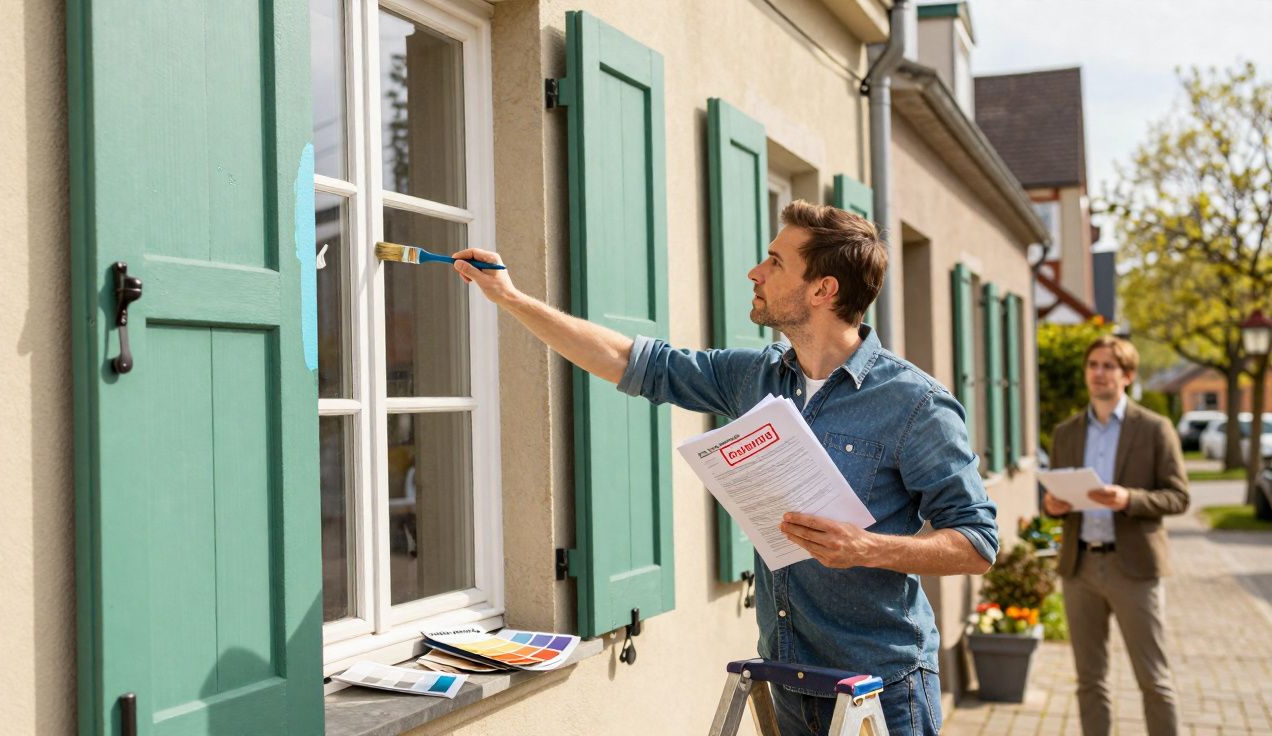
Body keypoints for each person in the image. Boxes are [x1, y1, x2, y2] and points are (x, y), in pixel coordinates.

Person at [452, 200, 997, 736]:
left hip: (881, 690)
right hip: (786, 678)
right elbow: (629, 362)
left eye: (776, 262)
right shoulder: (754, 377)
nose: (754, 273)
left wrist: (867, 548)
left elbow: (977, 543)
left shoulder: (915, 403)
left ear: (823, 289)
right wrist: (510, 297)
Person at [1042, 336, 1188, 736]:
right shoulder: (1066, 432)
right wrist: (1052, 505)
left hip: (1135, 569)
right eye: (1093, 365)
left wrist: (1129, 499)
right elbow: (1053, 494)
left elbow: (1179, 496)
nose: (1099, 373)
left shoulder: (1156, 429)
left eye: (1109, 366)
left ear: (1127, 376)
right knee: (1089, 681)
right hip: (1080, 567)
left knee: (1153, 681)